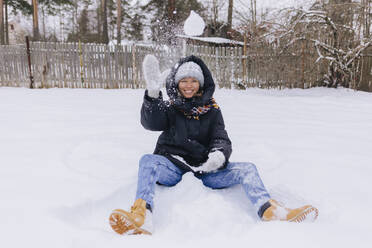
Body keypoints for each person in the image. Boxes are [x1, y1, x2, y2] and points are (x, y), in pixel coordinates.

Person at [109, 55, 318, 235]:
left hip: (206, 170)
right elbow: (151, 123)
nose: (188, 85)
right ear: (177, 82)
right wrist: (153, 96)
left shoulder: (213, 110)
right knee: (147, 161)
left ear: (201, 83)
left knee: (248, 169)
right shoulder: (170, 107)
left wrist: (218, 155)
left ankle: (271, 211)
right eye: (184, 80)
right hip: (173, 167)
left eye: (193, 80)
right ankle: (141, 215)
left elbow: (221, 138)